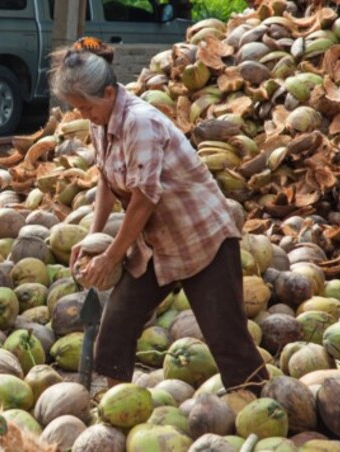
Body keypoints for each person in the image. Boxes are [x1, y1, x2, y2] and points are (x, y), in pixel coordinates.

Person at [54, 37, 269, 394]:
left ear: (109, 93)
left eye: (85, 108)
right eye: (77, 110)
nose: (82, 117)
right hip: (156, 242)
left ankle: (260, 410)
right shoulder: (99, 120)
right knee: (115, 329)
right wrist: (93, 242)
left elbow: (144, 199)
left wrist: (112, 255)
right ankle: (115, 406)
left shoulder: (140, 122)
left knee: (226, 338)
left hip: (203, 238)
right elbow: (107, 179)